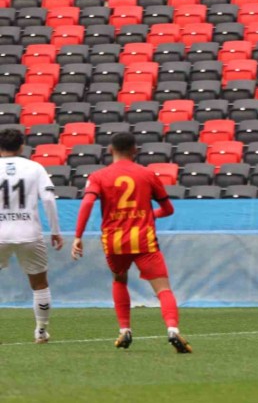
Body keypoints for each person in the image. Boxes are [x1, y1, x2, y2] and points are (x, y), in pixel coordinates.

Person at [71, 132, 191, 353]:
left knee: (119, 279)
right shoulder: (148, 175)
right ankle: (172, 329)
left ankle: (125, 329)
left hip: (114, 241)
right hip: (144, 240)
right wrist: (149, 213)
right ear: (135, 150)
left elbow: (87, 202)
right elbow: (168, 209)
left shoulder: (99, 176)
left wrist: (78, 235)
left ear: (110, 150)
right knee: (163, 289)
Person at [0, 129, 63, 344]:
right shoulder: (35, 168)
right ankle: (41, 331)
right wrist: (55, 230)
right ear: (22, 146)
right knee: (39, 283)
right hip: (28, 232)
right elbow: (48, 200)